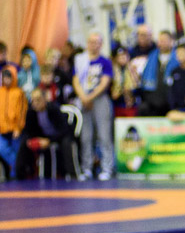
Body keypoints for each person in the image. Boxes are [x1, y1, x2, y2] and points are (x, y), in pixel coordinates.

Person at [73, 32, 115, 180]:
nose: (93, 45)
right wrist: (83, 97)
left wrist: (90, 97)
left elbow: (105, 82)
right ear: (87, 43)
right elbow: (76, 80)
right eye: (91, 42)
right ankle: (87, 168)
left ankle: (107, 168)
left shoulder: (105, 61)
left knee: (104, 135)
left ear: (101, 44)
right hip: (84, 100)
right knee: (86, 136)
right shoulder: (80, 60)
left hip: (100, 99)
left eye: (97, 42)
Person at [15, 87, 76, 179]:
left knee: (66, 142)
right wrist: (32, 140)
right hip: (43, 137)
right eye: (33, 100)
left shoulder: (54, 108)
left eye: (38, 100)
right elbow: (28, 131)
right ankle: (21, 175)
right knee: (24, 142)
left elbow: (64, 130)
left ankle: (71, 174)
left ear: (44, 99)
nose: (35, 103)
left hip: (59, 136)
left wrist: (49, 140)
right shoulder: (31, 112)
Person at [138, 30, 178, 117]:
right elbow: (145, 78)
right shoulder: (152, 56)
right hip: (152, 99)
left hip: (170, 98)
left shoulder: (177, 57)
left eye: (164, 40)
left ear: (171, 41)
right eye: (160, 40)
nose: (161, 43)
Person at [0, 65, 28, 180]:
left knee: (17, 150)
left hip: (15, 129)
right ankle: (17, 167)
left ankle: (16, 173)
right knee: (3, 148)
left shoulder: (19, 92)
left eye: (9, 77)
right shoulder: (0, 92)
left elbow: (22, 112)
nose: (6, 80)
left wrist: (18, 128)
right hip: (2, 129)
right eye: (4, 78)